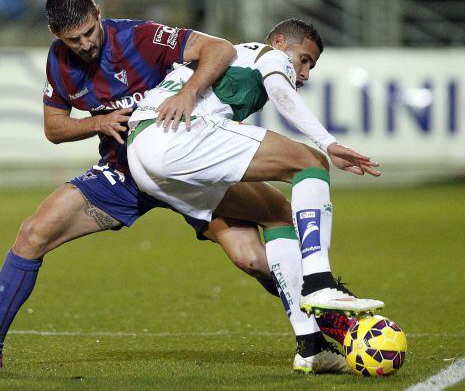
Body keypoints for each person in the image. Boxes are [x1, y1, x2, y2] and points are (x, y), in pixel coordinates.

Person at [0, 0, 347, 374]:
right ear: (56, 35)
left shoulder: (139, 36)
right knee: (32, 234)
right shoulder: (59, 63)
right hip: (124, 173)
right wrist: (98, 122)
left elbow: (218, 49)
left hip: (185, 155)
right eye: (73, 39)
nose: (84, 44)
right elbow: (54, 127)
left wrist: (187, 94)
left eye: (88, 32)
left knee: (254, 258)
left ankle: (332, 328)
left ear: (99, 15)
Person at [127, 18, 385, 321]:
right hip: (173, 135)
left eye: (311, 67)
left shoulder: (236, 62)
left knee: (274, 215)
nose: (304, 73)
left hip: (142, 160)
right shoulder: (268, 55)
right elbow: (280, 90)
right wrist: (327, 143)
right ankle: (319, 281)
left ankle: (311, 345)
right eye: (304, 60)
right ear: (278, 42)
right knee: (311, 162)